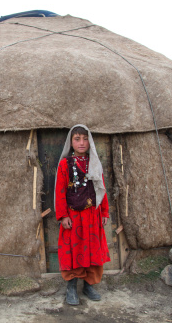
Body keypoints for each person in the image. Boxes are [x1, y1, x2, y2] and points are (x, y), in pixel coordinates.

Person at [54, 124, 110, 305]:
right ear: (71, 142)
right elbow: (60, 190)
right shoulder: (65, 164)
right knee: (73, 250)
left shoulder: (94, 163)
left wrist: (104, 211)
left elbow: (102, 189)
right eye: (77, 139)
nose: (81, 143)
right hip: (73, 216)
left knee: (93, 250)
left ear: (90, 141)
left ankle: (89, 285)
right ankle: (71, 287)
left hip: (93, 216)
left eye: (85, 139)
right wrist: (63, 216)